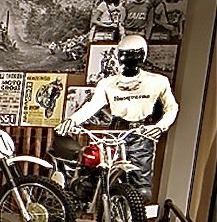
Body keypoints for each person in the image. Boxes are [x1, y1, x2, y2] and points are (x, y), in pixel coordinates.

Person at [57, 35, 178, 201]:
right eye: (125, 55)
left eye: (134, 54)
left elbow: (172, 107)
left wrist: (161, 126)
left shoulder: (157, 82)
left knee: (141, 190)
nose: (129, 59)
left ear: (142, 55)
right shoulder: (108, 83)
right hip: (115, 132)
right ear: (119, 56)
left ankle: (130, 221)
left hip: (142, 134)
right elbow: (94, 104)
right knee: (98, 177)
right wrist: (73, 120)